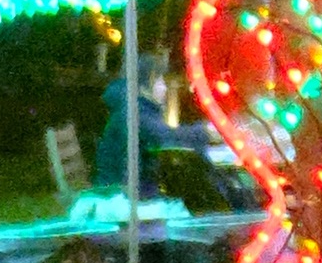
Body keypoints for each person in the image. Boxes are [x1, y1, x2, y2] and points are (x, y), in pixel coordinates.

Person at [94, 64, 224, 196]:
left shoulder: (135, 108)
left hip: (127, 190)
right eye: (160, 81)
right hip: (123, 196)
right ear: (145, 85)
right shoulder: (134, 112)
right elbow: (165, 137)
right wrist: (206, 132)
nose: (164, 87)